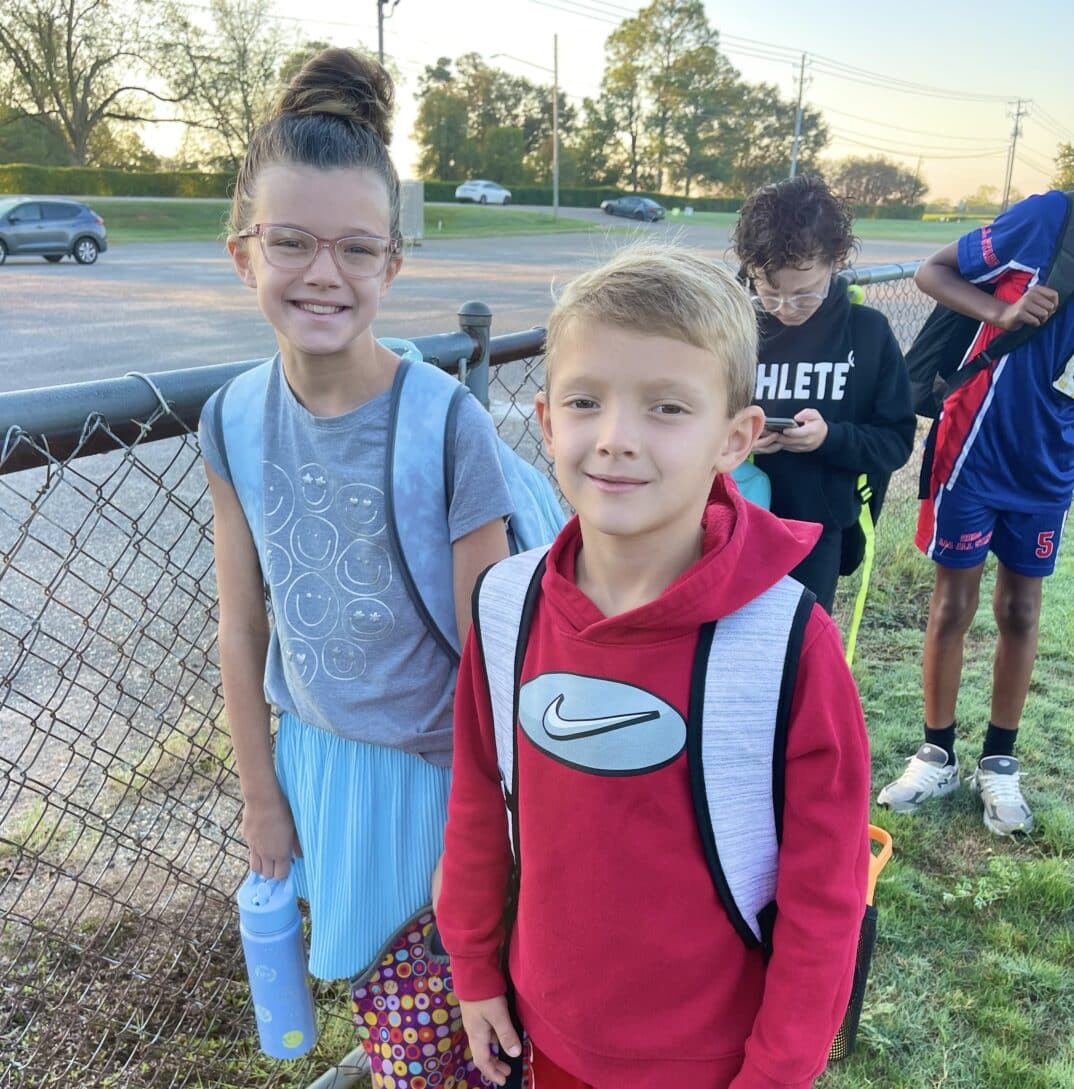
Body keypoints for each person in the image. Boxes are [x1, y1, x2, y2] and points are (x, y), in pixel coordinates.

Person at [437, 243, 872, 1089]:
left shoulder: (786, 643)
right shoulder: (505, 606)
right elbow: (480, 796)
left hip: (716, 1061)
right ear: (547, 421)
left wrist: (776, 1072)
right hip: (548, 1031)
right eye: (586, 401)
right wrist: (476, 965)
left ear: (735, 438)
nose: (616, 439)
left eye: (667, 407)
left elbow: (826, 897)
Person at [198, 46, 513, 990]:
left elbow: (488, 648)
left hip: (442, 777)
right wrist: (262, 793)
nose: (323, 274)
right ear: (243, 253)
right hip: (320, 771)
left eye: (357, 248)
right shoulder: (232, 419)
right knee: (380, 1005)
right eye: (292, 241)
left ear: (392, 262)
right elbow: (242, 625)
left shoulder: (446, 423)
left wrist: (491, 822)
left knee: (457, 1015)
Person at [878, 189, 1074, 835]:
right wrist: (1002, 309)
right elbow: (931, 271)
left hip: (1050, 461)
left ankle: (1000, 761)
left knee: (1021, 610)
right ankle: (936, 754)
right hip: (974, 448)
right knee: (951, 606)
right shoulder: (1049, 218)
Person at [732, 174, 916, 612]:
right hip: (731, 524)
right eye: (769, 292)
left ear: (836, 262)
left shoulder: (867, 333)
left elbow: (894, 442)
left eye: (804, 294)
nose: (786, 308)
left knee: (802, 642)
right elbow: (688, 424)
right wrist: (736, 440)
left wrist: (829, 438)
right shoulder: (733, 329)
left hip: (817, 532)